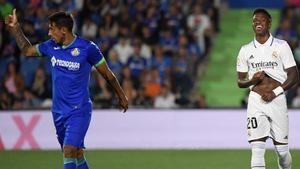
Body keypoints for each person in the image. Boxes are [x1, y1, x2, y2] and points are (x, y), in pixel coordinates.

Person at [5, 9, 128, 169]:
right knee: (76, 154)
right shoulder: (50, 46)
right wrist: (16, 29)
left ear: (63, 30)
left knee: (68, 150)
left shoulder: (87, 48)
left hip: (79, 110)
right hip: (58, 112)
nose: (49, 33)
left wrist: (122, 96)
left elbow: (108, 74)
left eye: (51, 28)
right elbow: (27, 51)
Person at [236, 9, 299, 169]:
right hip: (256, 101)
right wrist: (252, 80)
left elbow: (294, 76)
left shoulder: (281, 46)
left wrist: (275, 93)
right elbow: (240, 81)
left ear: (269, 23)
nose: (258, 23)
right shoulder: (245, 50)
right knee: (257, 149)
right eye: (255, 20)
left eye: (262, 20)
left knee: (282, 151)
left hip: (277, 100)